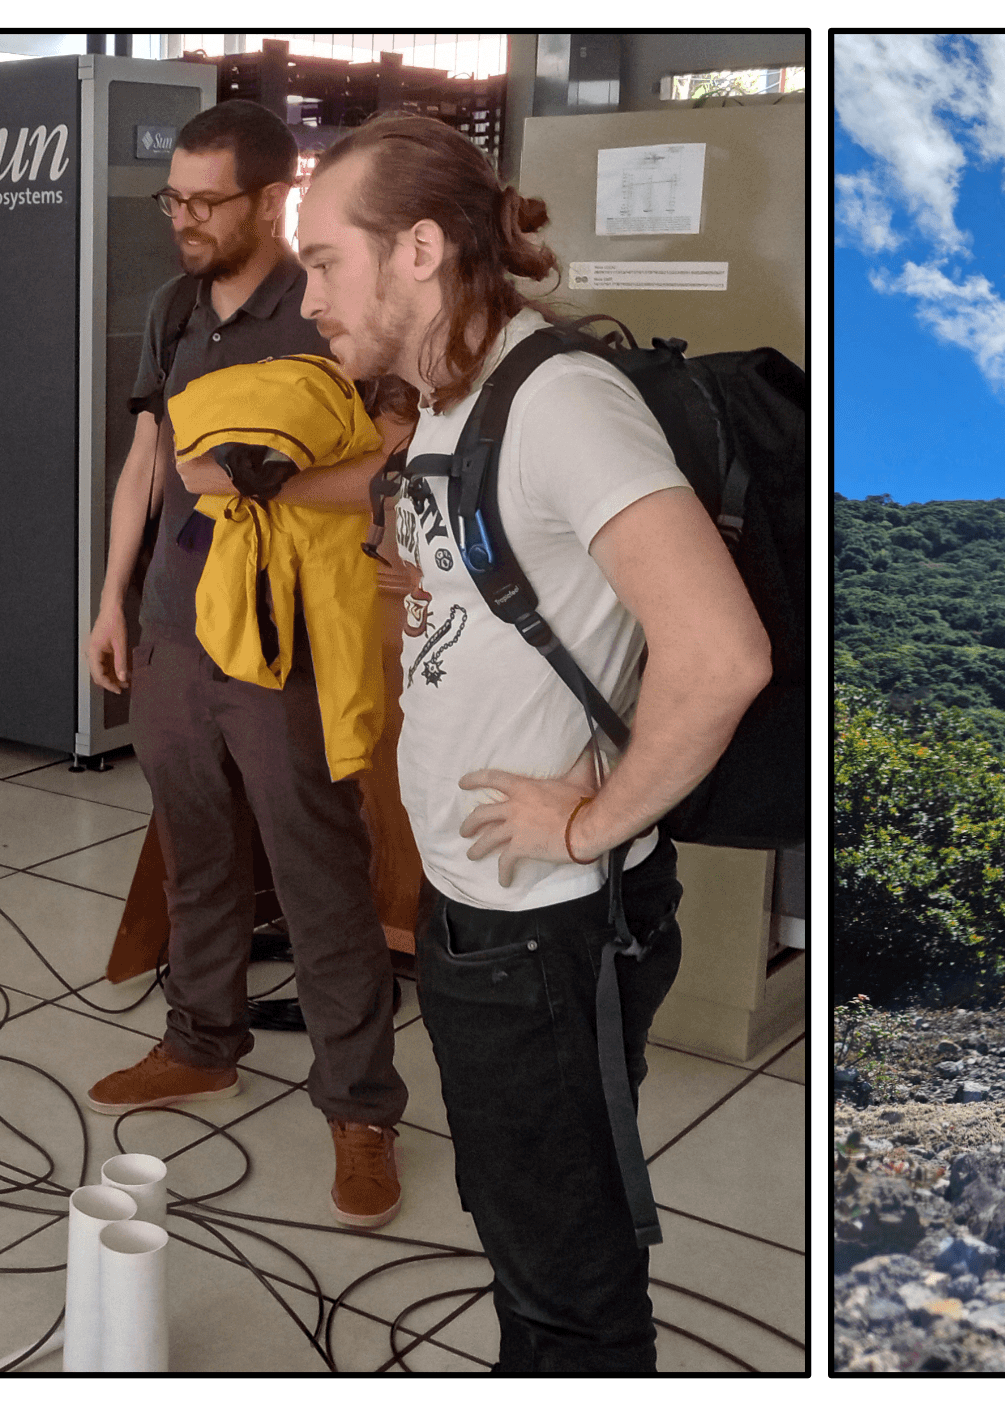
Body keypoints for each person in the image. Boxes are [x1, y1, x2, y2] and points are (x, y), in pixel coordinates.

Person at [295, 113, 770, 1372]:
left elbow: (722, 653)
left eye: (325, 262)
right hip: (484, 914)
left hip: (545, 929)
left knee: (567, 1274)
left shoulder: (559, 398)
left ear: (418, 248)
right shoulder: (455, 396)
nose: (309, 299)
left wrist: (591, 819)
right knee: (521, 1216)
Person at [81, 100, 416, 1228]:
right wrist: (111, 601)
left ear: (273, 199)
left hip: (288, 640)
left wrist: (272, 484)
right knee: (197, 848)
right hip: (176, 624)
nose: (183, 219)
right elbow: (148, 460)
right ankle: (200, 1042)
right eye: (173, 199)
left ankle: (359, 1107)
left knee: (318, 871)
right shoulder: (174, 307)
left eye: (205, 202)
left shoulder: (327, 306)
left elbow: (398, 466)